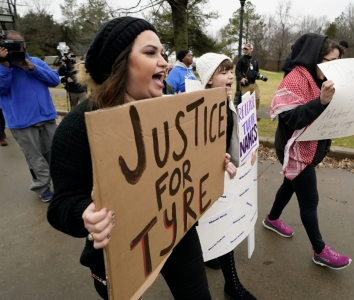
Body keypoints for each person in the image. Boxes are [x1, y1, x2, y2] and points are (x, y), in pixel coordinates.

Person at [47, 17, 236, 300]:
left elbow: (186, 161)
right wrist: (85, 214)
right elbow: (61, 204)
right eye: (150, 53)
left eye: (163, 53)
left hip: (178, 229)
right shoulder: (77, 127)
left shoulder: (171, 104)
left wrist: (210, 160)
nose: (164, 62)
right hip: (119, 250)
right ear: (119, 64)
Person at [262, 33, 351, 270]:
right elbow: (291, 117)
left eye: (337, 61)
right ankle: (320, 251)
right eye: (330, 61)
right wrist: (320, 102)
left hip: (310, 148)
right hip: (295, 150)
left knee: (289, 185)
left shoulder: (318, 78)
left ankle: (271, 219)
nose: (334, 68)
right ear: (315, 58)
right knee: (309, 200)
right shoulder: (295, 79)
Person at [197, 52, 257, 300]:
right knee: (222, 228)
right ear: (208, 80)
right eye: (223, 71)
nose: (231, 76)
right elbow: (194, 151)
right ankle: (231, 286)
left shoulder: (229, 101)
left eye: (231, 70)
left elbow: (234, 138)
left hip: (226, 177)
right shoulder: (200, 108)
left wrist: (248, 151)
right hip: (207, 182)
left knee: (218, 225)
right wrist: (214, 161)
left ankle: (210, 255)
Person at [0, 30, 60, 202]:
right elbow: (2, 89)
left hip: (47, 116)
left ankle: (60, 183)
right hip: (22, 122)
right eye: (11, 44)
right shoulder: (2, 66)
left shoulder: (35, 62)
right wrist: (4, 66)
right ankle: (42, 187)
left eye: (20, 42)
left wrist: (32, 68)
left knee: (54, 154)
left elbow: (55, 80)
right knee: (35, 158)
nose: (18, 47)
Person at [235, 44, 267, 110]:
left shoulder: (255, 59)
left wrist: (260, 77)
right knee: (245, 101)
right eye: (245, 49)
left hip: (253, 84)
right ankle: (245, 116)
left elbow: (256, 72)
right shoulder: (241, 59)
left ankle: (254, 114)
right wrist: (241, 78)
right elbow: (237, 70)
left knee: (257, 98)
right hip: (245, 84)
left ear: (251, 49)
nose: (245, 51)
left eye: (247, 49)